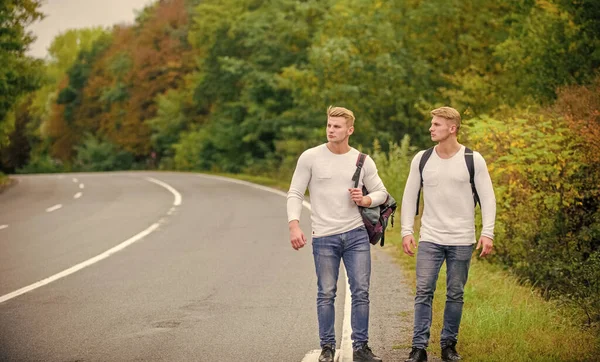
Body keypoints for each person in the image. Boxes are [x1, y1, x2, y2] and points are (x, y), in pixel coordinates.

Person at [287, 105, 388, 362]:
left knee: (361, 291)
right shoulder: (310, 157)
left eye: (337, 126)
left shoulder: (362, 160)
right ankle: (327, 348)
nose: (331, 130)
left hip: (356, 235)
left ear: (349, 130)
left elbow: (382, 193)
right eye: (329, 125)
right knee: (326, 292)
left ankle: (361, 348)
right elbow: (296, 193)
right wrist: (294, 225)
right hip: (324, 237)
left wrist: (365, 199)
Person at [400, 107, 496, 362]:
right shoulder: (422, 159)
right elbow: (410, 197)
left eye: (437, 124)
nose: (431, 128)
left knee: (455, 293)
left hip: (462, 239)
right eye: (432, 123)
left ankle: (448, 346)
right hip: (430, 237)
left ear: (452, 128)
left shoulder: (473, 159)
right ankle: (418, 348)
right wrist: (406, 231)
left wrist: (488, 233)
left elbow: (488, 199)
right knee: (423, 291)